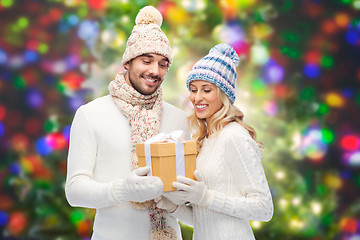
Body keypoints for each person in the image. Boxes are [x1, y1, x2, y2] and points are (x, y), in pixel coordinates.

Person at [65, 6, 190, 240]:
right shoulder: (91, 114)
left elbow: (192, 198)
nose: (155, 70)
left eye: (163, 64)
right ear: (128, 62)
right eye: (146, 60)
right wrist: (124, 190)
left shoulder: (179, 119)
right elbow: (74, 192)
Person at [155, 43, 274, 239]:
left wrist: (206, 197)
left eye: (206, 90)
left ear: (223, 94)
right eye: (193, 90)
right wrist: (172, 207)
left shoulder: (235, 136)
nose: (197, 98)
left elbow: (264, 209)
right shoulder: (204, 139)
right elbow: (206, 218)